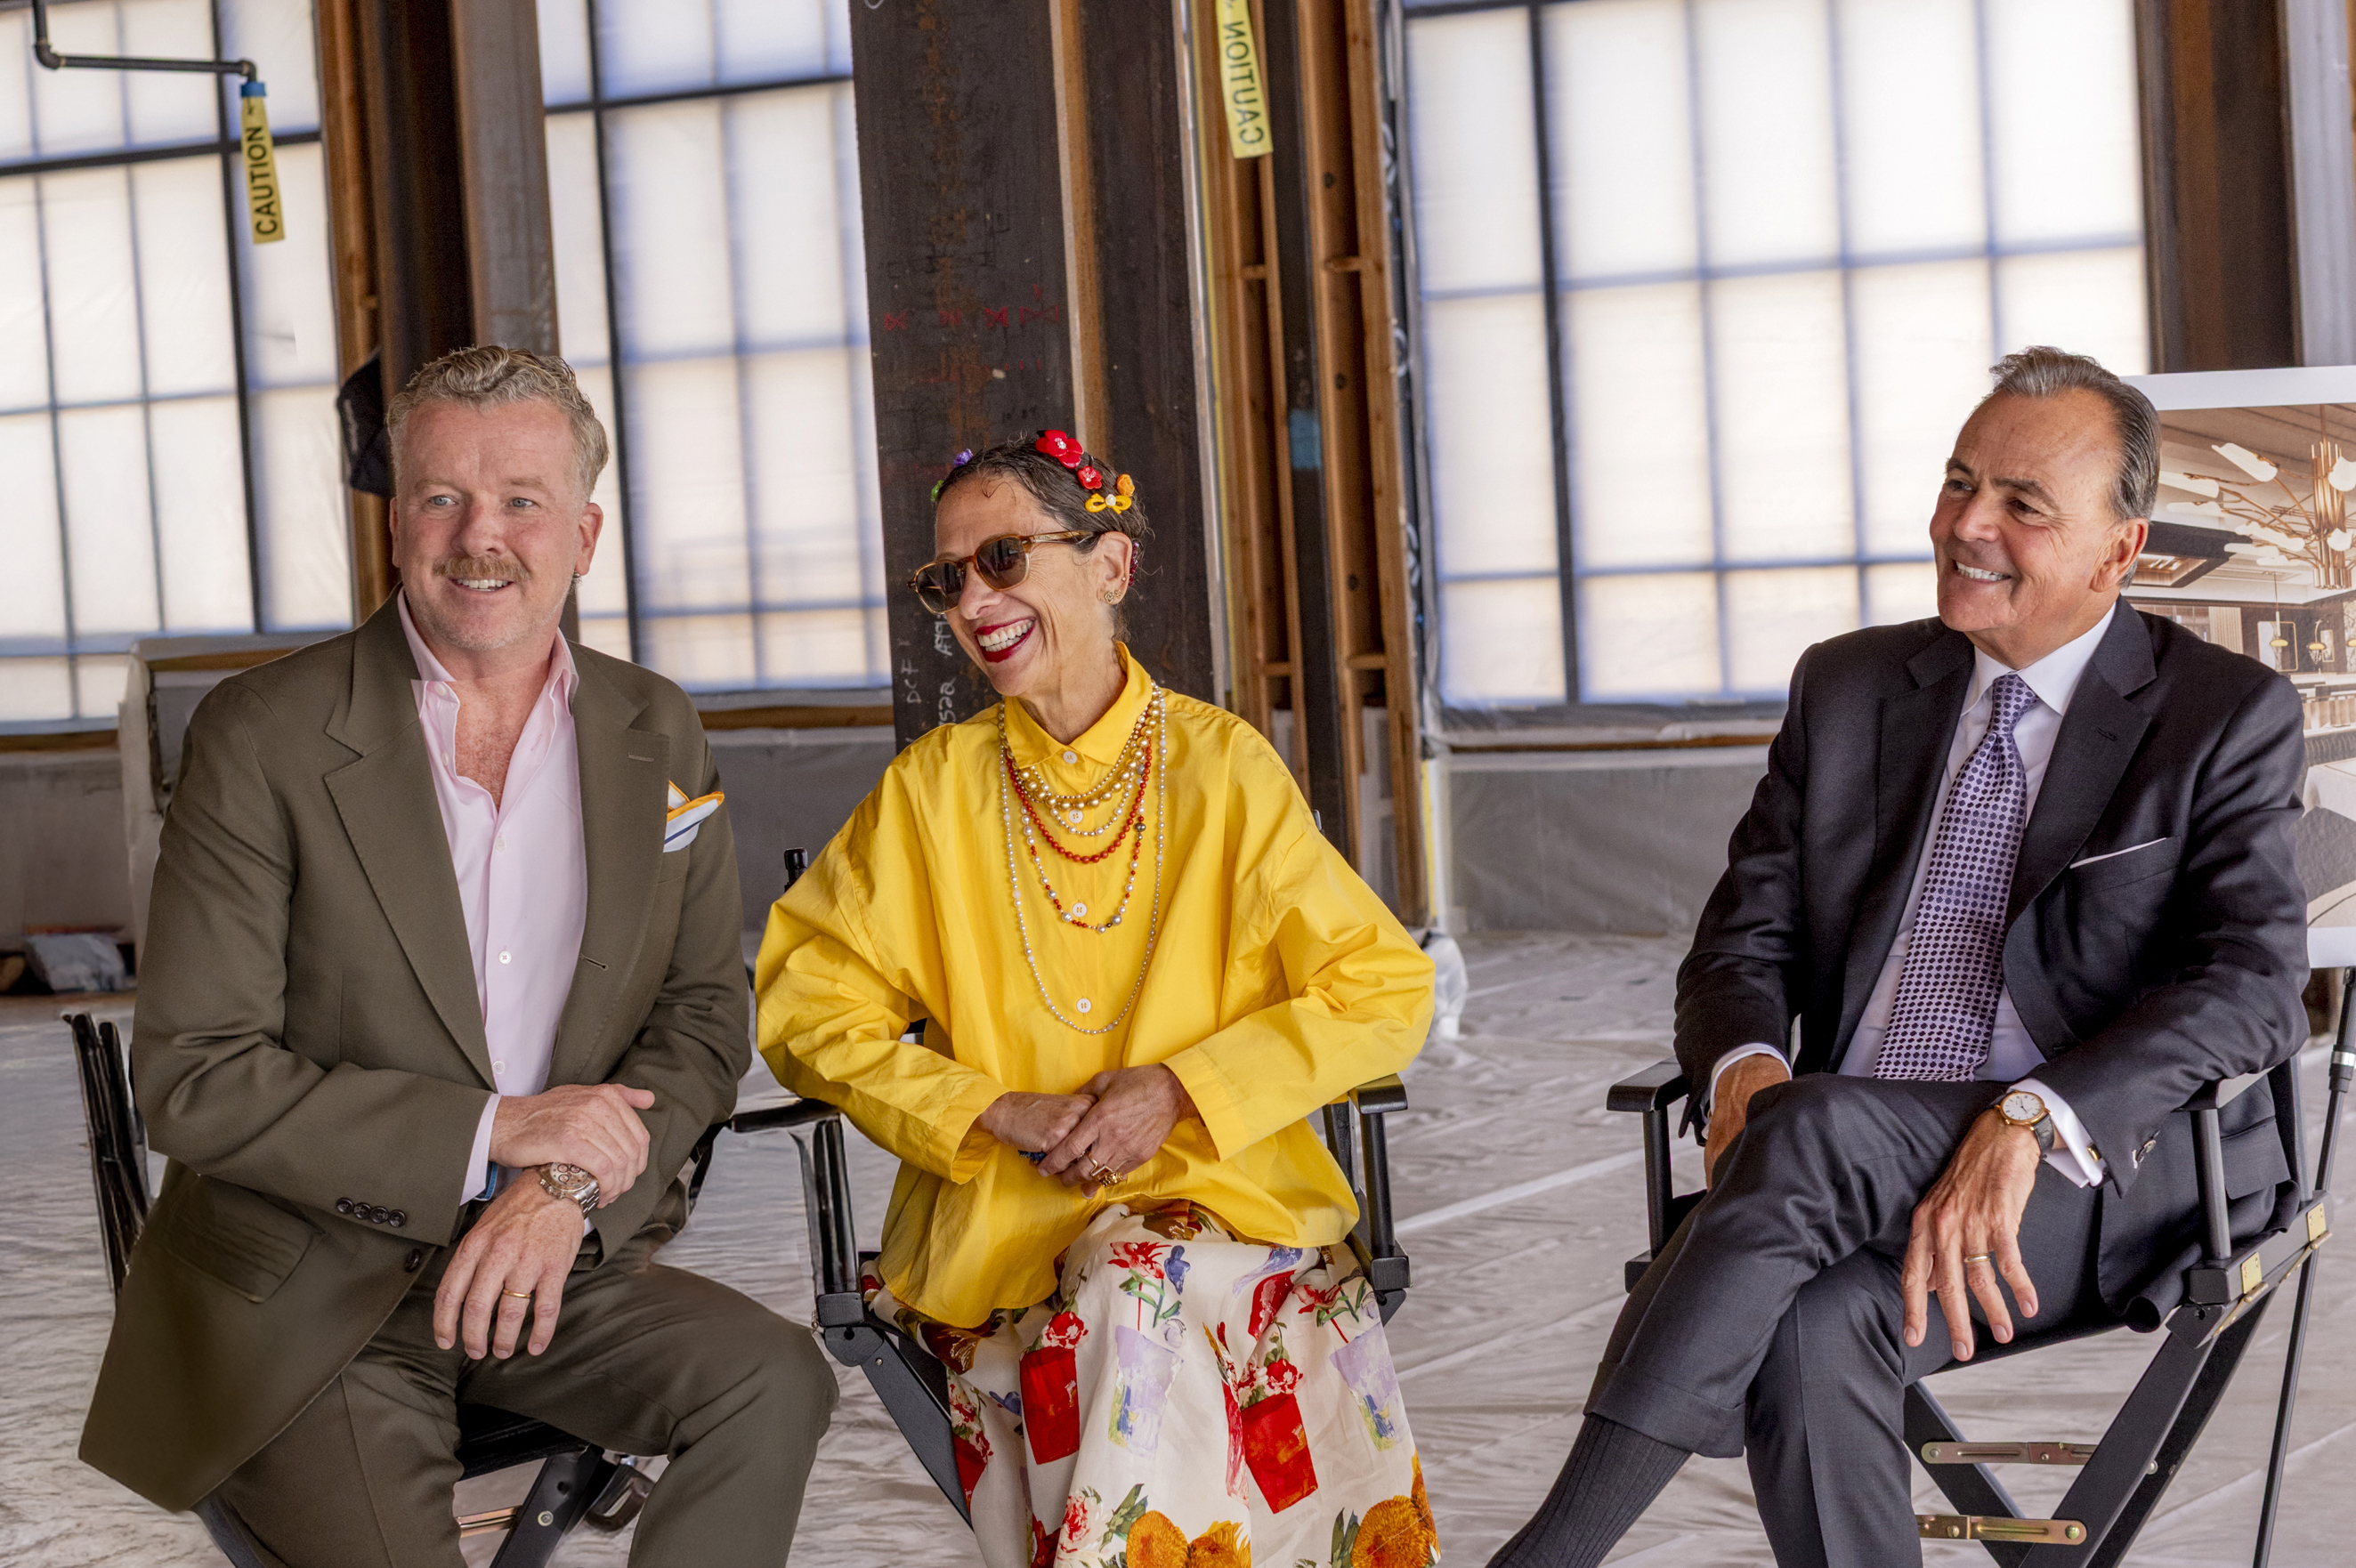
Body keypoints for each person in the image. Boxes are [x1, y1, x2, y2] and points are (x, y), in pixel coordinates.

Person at [1490, 347, 2308, 1567]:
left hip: (2092, 1173)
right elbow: (1741, 938)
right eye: (1956, 481)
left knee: (1809, 1139)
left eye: (2020, 504)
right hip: (1834, 1155)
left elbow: (2251, 988)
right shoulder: (1850, 685)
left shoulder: (2222, 713)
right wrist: (1741, 1073)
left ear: (2117, 551)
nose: (1965, 524)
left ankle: (1544, 1553)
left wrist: (2030, 1114)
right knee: (1813, 1317)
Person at [80, 346, 837, 1565]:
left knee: (771, 1383)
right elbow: (196, 1077)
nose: (482, 537)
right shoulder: (261, 733)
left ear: (583, 534)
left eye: (522, 502)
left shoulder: (657, 728)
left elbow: (698, 1016)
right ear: (396, 527)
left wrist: (563, 1192)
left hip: (555, 1266)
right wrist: (500, 1132)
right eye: (443, 497)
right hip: (317, 1288)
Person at [757, 431, 1439, 1568]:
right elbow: (804, 1008)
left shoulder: (1224, 771)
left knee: (1137, 1287)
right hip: (1009, 1241)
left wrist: (1182, 1091)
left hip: (1229, 1206)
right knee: (1126, 1298)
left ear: (1109, 566)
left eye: (1006, 558)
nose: (975, 599)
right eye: (949, 578)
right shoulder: (929, 795)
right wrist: (988, 1109)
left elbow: (1381, 986)